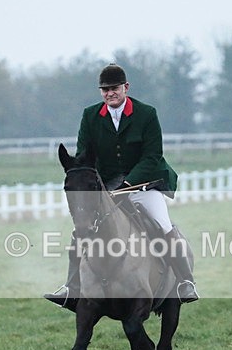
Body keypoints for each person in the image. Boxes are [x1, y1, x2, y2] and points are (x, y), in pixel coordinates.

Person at [45, 63, 198, 310]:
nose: (110, 93)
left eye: (114, 88)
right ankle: (71, 288)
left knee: (163, 224)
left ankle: (185, 281)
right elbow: (85, 155)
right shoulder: (90, 115)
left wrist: (128, 184)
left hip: (144, 184)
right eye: (105, 90)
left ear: (126, 87)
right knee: (82, 229)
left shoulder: (146, 114)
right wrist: (98, 186)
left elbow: (152, 156)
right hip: (107, 187)